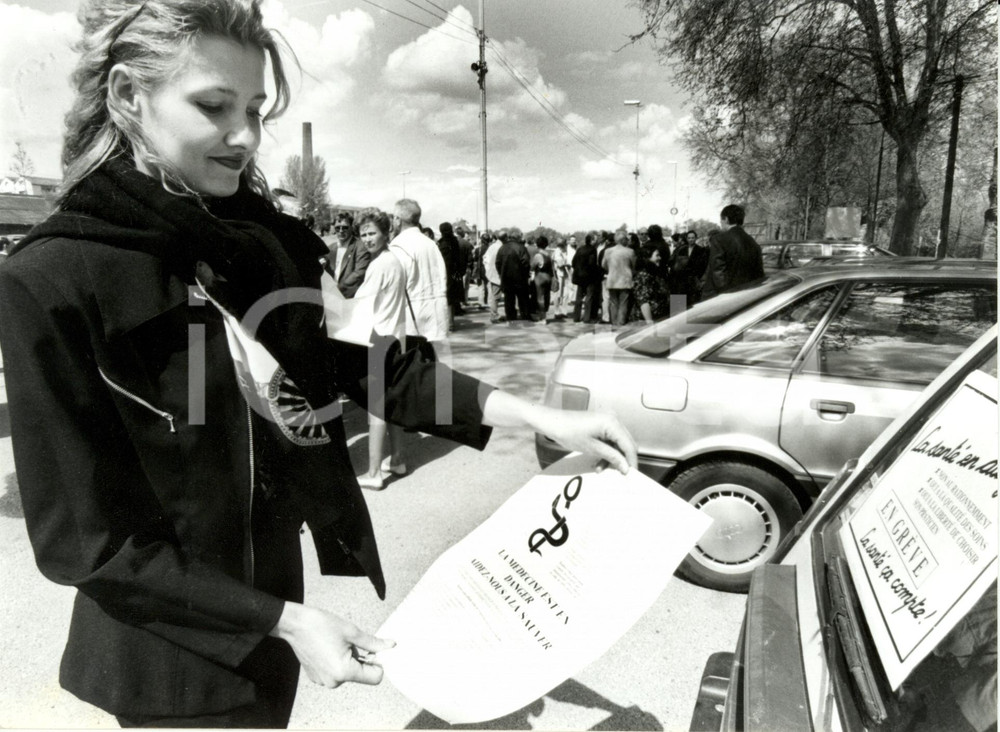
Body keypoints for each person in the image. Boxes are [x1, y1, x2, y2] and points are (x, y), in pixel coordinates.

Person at [0, 2, 639, 727]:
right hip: (172, 666)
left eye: (255, 109)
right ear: (127, 97)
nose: (244, 136)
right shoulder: (53, 280)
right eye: (213, 106)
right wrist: (286, 621)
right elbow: (85, 546)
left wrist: (533, 414)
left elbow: (357, 369)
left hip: (279, 625)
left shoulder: (255, 243)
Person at [352, 209, 406, 491]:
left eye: (372, 233)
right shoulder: (393, 260)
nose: (367, 239)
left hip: (380, 340)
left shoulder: (380, 265)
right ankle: (397, 459)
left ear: (386, 233)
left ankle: (374, 472)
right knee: (392, 403)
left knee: (376, 407)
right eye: (363, 234)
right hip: (396, 338)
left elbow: (360, 303)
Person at [388, 198, 449, 346]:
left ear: (397, 220)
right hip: (437, 311)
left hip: (412, 315)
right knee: (434, 361)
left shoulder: (398, 245)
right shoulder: (431, 244)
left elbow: (394, 285)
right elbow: (443, 277)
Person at [701, 204, 765, 300]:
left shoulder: (719, 239)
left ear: (726, 219)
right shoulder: (753, 242)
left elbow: (717, 272)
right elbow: (759, 274)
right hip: (746, 296)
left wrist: (727, 294)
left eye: (721, 220)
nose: (721, 223)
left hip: (722, 297)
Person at [327, 211, 371, 298]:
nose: (341, 231)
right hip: (330, 297)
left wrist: (337, 291)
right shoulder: (330, 248)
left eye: (345, 227)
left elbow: (359, 274)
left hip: (350, 298)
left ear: (351, 227)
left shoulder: (360, 246)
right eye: (337, 228)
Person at [495, 227, 532, 322]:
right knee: (523, 300)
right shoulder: (521, 248)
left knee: (509, 300)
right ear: (518, 236)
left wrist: (501, 274)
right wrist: (526, 274)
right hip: (520, 279)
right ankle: (525, 317)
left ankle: (511, 319)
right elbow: (526, 263)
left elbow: (497, 263)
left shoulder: (502, 248)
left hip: (506, 279)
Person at [602, 229, 637, 327]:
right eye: (627, 239)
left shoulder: (607, 251)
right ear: (624, 240)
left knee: (613, 303)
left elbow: (603, 265)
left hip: (612, 280)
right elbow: (634, 266)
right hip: (625, 280)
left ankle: (614, 323)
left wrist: (611, 269)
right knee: (623, 303)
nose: (628, 241)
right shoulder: (630, 251)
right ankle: (620, 323)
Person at [630, 243, 671, 324]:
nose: (660, 258)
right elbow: (643, 301)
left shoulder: (653, 273)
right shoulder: (643, 276)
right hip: (646, 322)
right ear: (647, 258)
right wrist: (649, 322)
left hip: (658, 319)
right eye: (657, 255)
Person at [669, 229, 709, 310]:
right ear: (686, 239)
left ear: (696, 238)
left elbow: (703, 265)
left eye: (693, 238)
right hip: (681, 280)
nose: (691, 239)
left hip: (693, 280)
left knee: (692, 304)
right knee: (679, 307)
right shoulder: (681, 249)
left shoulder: (701, 250)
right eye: (689, 238)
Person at [436, 221, 462, 327]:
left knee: (445, 298)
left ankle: (447, 323)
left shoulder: (441, 244)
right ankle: (451, 322)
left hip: (444, 273)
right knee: (451, 298)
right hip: (454, 273)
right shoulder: (455, 241)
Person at [571, 232, 602, 323]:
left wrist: (578, 270)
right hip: (589, 277)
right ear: (592, 240)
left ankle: (576, 317)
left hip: (579, 277)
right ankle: (586, 318)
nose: (596, 241)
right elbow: (592, 264)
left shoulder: (580, 249)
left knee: (578, 297)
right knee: (589, 298)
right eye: (595, 239)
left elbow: (573, 262)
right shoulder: (593, 250)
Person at [531, 235, 555, 323]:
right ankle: (545, 314)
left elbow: (532, 267)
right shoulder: (548, 254)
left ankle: (543, 318)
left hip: (540, 277)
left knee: (540, 298)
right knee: (547, 296)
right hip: (548, 277)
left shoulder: (538, 255)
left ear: (537, 244)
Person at [482, 230, 503, 323]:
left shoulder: (492, 247)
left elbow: (485, 259)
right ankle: (493, 315)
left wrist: (488, 271)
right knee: (496, 296)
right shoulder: (502, 247)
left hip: (493, 275)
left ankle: (494, 314)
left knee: (495, 295)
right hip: (499, 275)